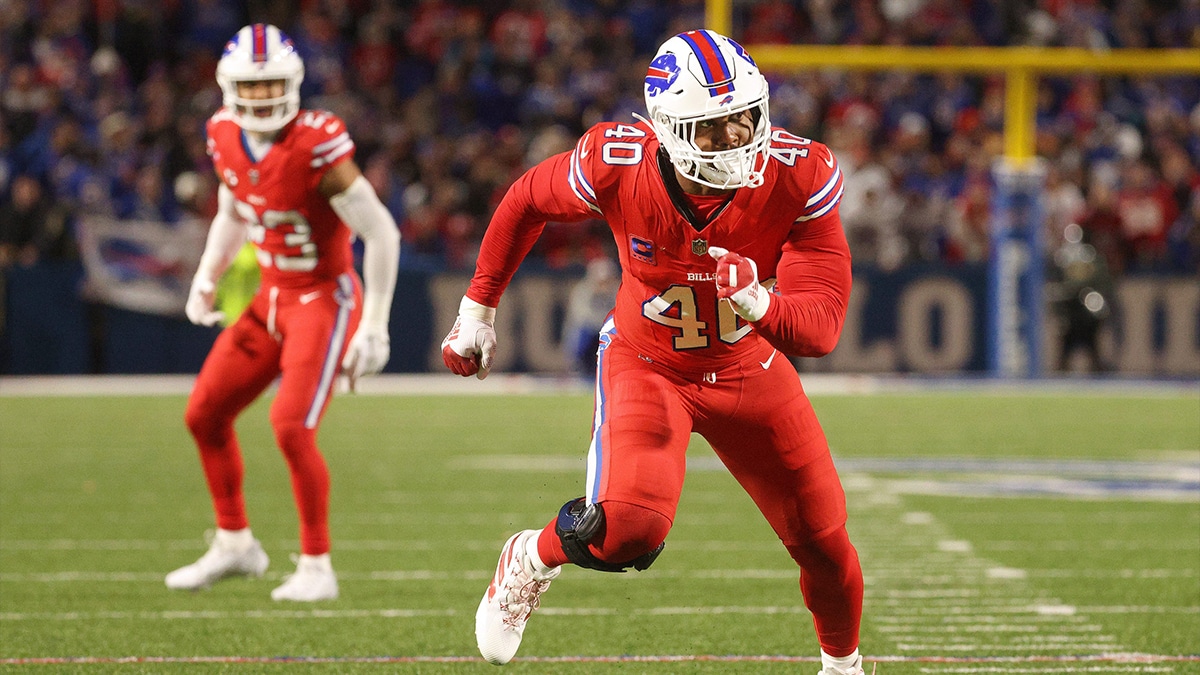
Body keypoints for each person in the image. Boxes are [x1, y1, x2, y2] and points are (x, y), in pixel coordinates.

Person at [442, 29, 865, 674]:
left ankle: (843, 667)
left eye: (746, 117)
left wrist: (760, 305)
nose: (740, 138)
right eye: (715, 127)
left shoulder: (800, 174)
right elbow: (528, 198)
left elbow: (822, 327)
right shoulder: (616, 162)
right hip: (649, 362)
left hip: (746, 365)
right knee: (627, 532)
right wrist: (478, 308)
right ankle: (530, 557)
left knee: (826, 544)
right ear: (669, 130)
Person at [165, 24, 400, 602]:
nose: (264, 97)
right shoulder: (222, 132)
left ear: (293, 84)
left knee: (291, 427)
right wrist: (207, 276)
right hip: (271, 297)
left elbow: (382, 233)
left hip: (322, 297)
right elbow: (232, 210)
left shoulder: (316, 140)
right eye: (253, 85)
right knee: (204, 414)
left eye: (273, 85)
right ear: (228, 87)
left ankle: (317, 566)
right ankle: (235, 542)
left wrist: (374, 326)